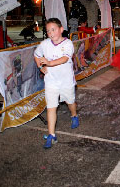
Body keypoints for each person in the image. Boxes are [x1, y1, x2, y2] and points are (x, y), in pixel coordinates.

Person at [34, 18, 78, 149]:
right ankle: (51, 135)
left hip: (66, 81)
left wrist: (49, 63)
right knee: (51, 107)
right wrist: (41, 67)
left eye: (53, 30)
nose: (51, 33)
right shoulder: (45, 44)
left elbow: (65, 58)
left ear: (61, 29)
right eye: (48, 31)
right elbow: (36, 55)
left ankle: (74, 115)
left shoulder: (68, 43)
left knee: (70, 102)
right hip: (51, 81)